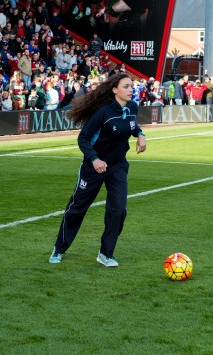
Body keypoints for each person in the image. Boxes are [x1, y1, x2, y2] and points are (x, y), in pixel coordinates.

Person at [49, 73, 146, 267]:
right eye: (126, 86)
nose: (130, 90)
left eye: (131, 86)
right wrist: (94, 159)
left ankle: (105, 254)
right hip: (94, 168)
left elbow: (132, 126)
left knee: (118, 210)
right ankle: (59, 248)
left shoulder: (133, 107)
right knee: (77, 208)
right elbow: (83, 138)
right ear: (114, 89)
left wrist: (141, 134)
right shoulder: (103, 111)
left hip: (118, 166)